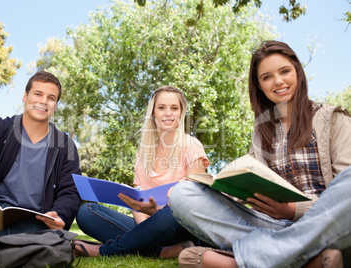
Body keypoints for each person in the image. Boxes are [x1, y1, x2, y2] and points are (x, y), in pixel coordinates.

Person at [169, 40, 351, 267]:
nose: (278, 81)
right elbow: (242, 183)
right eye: (267, 77)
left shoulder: (334, 120)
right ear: (260, 86)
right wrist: (211, 185)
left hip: (325, 223)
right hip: (273, 227)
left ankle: (255, 259)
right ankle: (302, 258)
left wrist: (293, 210)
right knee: (182, 193)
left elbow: (343, 193)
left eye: (284, 71)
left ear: (298, 73)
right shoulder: (263, 133)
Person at [0, 71, 82, 262]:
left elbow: (70, 191)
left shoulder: (64, 144)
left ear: (55, 105)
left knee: (44, 234)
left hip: (31, 223)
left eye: (51, 98)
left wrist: (61, 214)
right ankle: (11, 244)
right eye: (38, 94)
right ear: (25, 97)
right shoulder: (1, 127)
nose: (44, 101)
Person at [73, 85, 210, 258]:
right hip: (152, 226)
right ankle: (159, 251)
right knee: (87, 212)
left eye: (174, 108)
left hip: (179, 224)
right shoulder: (144, 152)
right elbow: (139, 201)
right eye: (161, 108)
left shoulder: (191, 145)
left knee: (173, 212)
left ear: (181, 113)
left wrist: (154, 213)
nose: (168, 113)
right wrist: (144, 229)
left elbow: (194, 204)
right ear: (153, 113)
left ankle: (104, 251)